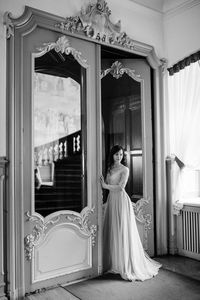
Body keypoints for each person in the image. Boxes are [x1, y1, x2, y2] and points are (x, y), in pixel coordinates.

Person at [100, 145, 161, 281]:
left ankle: (125, 265)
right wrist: (105, 187)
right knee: (113, 230)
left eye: (121, 155)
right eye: (116, 154)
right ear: (112, 155)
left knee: (122, 231)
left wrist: (105, 186)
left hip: (121, 201)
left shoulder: (125, 169)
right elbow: (110, 184)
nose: (119, 157)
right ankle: (114, 263)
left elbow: (121, 187)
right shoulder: (109, 168)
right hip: (111, 200)